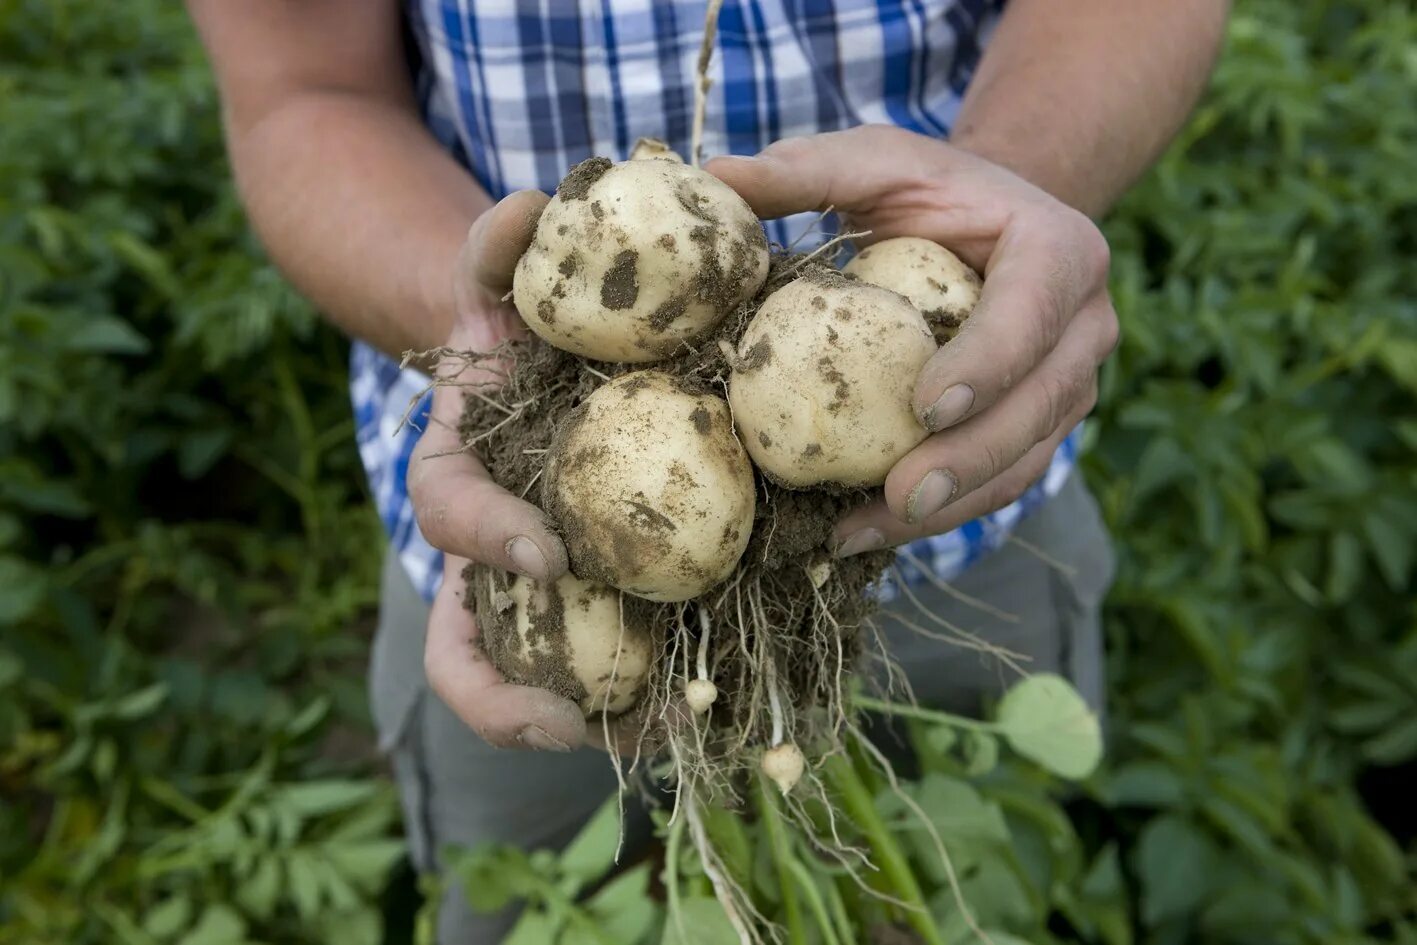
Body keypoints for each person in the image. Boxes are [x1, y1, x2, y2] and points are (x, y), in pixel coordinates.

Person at [185, 1, 1227, 940]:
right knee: (541, 883)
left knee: (944, 884)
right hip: (512, 516)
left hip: (978, 480)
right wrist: (503, 356)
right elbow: (303, 90)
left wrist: (993, 213)